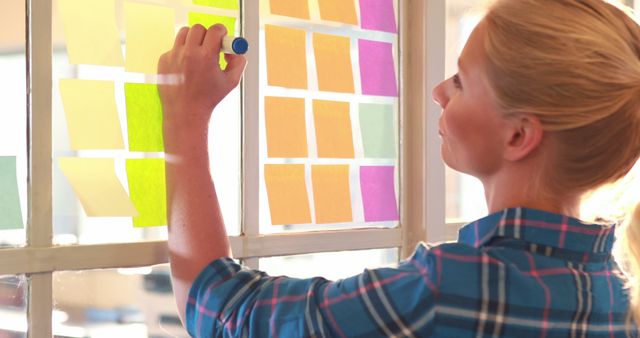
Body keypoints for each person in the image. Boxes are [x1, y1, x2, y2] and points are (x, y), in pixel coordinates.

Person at [157, 0, 640, 336]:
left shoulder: (444, 290)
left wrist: (185, 117)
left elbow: (220, 312)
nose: (438, 92)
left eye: (461, 82)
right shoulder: (616, 293)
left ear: (518, 135)